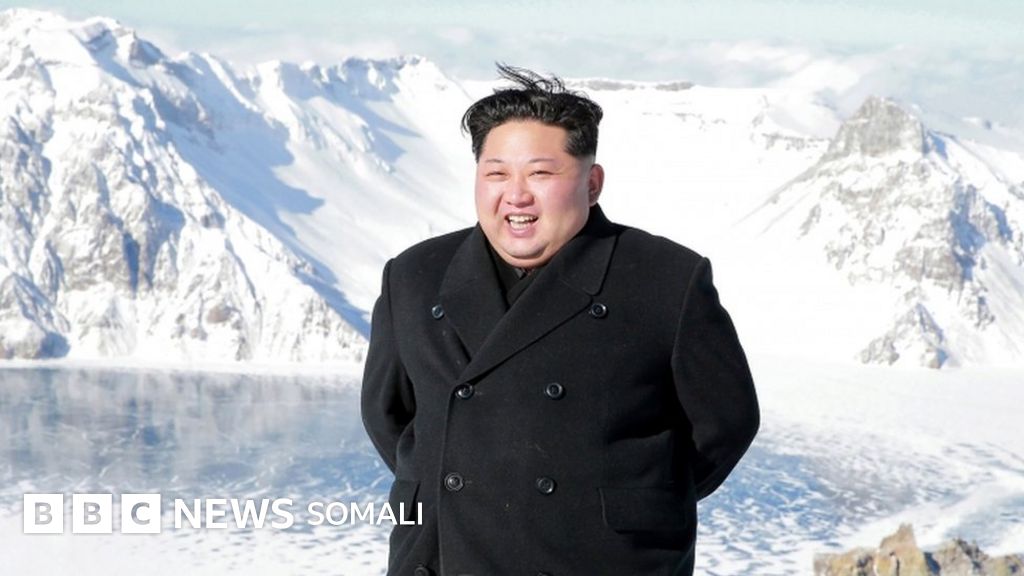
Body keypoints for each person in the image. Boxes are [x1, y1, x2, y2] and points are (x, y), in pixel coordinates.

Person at [361, 64, 759, 576]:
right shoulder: (414, 275)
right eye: (496, 173)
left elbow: (726, 424)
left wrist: (636, 499)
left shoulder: (667, 280)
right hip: (442, 556)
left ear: (592, 183)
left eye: (541, 174)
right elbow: (388, 418)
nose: (516, 194)